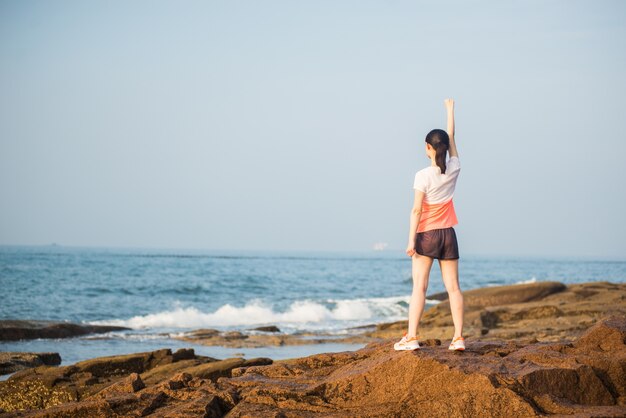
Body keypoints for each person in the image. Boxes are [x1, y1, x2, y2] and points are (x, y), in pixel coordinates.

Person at [394, 98, 465, 351]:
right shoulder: (454, 167)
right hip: (448, 234)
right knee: (454, 288)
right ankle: (458, 338)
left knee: (419, 288)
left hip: (426, 235)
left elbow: (416, 209)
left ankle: (411, 337)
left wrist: (411, 241)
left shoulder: (422, 175)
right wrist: (450, 110)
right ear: (445, 147)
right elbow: (452, 137)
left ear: (427, 147)